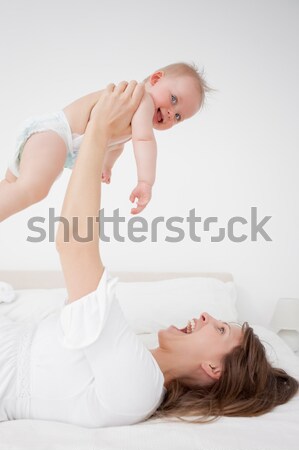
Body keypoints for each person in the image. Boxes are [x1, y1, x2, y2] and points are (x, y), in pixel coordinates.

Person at [0, 82, 298, 428]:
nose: (204, 316)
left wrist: (98, 129)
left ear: (215, 369)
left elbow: (75, 246)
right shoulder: (138, 357)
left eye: (218, 330)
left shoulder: (139, 388)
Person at [0, 62, 207, 222]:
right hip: (56, 133)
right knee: (33, 189)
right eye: (173, 99)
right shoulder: (143, 100)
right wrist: (145, 182)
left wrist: (106, 165)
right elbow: (144, 140)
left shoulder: (129, 114)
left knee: (11, 185)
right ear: (156, 78)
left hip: (52, 137)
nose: (172, 113)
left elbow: (116, 145)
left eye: (179, 117)